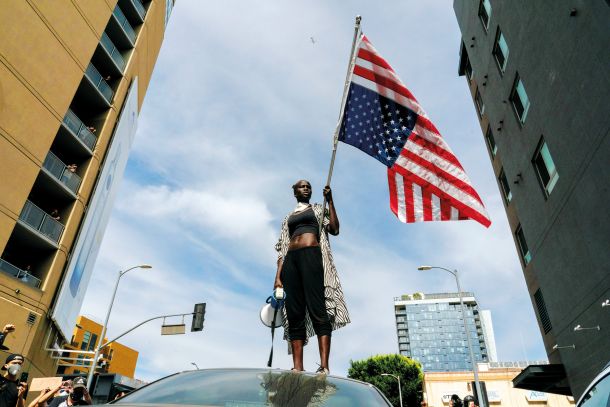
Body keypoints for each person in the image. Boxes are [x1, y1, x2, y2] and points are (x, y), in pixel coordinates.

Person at [274, 180, 350, 374]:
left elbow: (334, 229)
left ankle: (324, 366)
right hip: (291, 261)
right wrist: (278, 277)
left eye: (308, 186)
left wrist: (330, 201)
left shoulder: (318, 209)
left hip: (313, 256)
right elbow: (282, 248)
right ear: (294, 192)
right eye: (301, 186)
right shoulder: (288, 218)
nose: (306, 188)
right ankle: (297, 366)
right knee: (294, 313)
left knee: (318, 309)